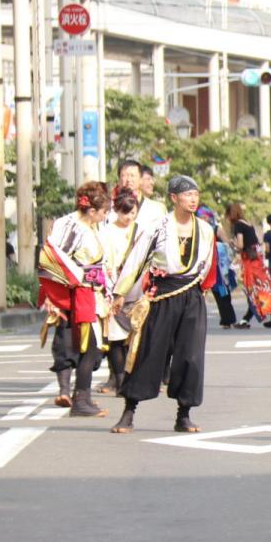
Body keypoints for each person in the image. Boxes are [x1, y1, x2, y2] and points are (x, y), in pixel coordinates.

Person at [109, 175, 217, 434]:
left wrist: (202, 289)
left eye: (196, 195)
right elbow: (137, 260)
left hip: (191, 294)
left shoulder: (205, 229)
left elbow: (209, 265)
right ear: (173, 198)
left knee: (191, 357)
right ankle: (129, 412)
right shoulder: (158, 227)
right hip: (163, 296)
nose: (193, 199)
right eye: (188, 194)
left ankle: (184, 414)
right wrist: (121, 292)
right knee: (149, 352)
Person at [38, 182, 112, 417]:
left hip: (89, 291)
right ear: (92, 211)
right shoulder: (72, 226)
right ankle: (81, 398)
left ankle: (83, 397)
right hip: (76, 292)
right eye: (103, 211)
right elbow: (53, 258)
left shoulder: (89, 226)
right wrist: (57, 292)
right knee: (86, 346)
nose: (105, 215)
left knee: (91, 347)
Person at [97, 186, 140, 396]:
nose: (129, 217)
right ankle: (120, 380)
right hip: (113, 287)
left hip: (137, 289)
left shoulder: (140, 231)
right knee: (115, 337)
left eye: (132, 212)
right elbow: (105, 261)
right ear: (117, 210)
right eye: (125, 212)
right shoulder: (107, 232)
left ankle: (132, 377)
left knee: (134, 336)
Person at [227, 203, 271, 328]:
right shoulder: (248, 224)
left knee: (253, 291)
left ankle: (247, 320)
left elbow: (241, 245)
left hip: (250, 263)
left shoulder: (238, 226)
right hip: (258, 261)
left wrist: (233, 244)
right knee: (262, 289)